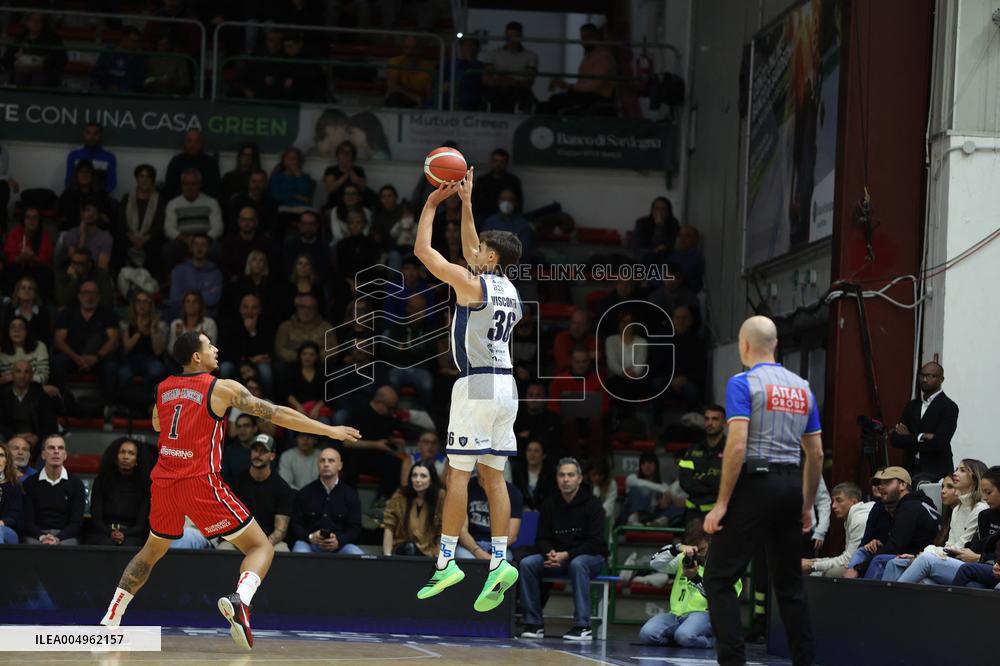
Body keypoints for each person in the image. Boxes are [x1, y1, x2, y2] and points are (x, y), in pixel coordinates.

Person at [98, 331, 361, 651]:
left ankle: (112, 617)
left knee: (152, 551)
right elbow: (276, 413)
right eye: (209, 345)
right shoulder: (221, 388)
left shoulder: (164, 387)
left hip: (164, 481)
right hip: (200, 481)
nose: (216, 349)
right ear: (196, 356)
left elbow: (157, 424)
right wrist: (328, 429)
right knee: (261, 547)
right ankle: (241, 599)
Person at [412, 169, 524, 612]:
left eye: (481, 250)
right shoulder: (509, 289)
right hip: (506, 387)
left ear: (491, 258)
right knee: (493, 476)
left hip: (476, 382)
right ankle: (499, 560)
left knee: (457, 474)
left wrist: (433, 204)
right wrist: (468, 202)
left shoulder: (472, 283)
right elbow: (469, 246)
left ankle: (446, 563)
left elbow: (424, 251)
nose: (471, 251)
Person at [702, 315, 823, 666]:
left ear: (743, 346)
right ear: (776, 345)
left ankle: (733, 663)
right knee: (789, 587)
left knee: (719, 577)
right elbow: (815, 453)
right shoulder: (803, 387)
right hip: (790, 485)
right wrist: (807, 504)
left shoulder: (743, 383)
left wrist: (721, 504)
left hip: (756, 483)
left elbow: (737, 447)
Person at [518, 457, 609, 641]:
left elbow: (595, 543)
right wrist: (549, 553)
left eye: (570, 475)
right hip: (557, 557)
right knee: (528, 563)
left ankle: (582, 626)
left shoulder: (593, 505)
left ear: (579, 478)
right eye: (561, 475)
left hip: (590, 558)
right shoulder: (550, 503)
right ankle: (533, 624)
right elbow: (542, 537)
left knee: (578, 564)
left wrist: (566, 555)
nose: (565, 479)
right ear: (556, 478)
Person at [888, 462, 995, 585]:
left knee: (925, 559)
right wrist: (930, 552)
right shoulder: (957, 509)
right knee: (899, 565)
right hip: (951, 558)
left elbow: (961, 547)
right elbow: (951, 543)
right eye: (956, 469)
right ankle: (888, 601)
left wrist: (929, 552)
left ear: (975, 478)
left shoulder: (980, 508)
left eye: (962, 470)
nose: (955, 473)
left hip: (965, 563)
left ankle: (893, 598)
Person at [639, 521, 739, 648]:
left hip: (707, 615)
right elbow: (655, 563)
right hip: (676, 615)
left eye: (701, 548)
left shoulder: (725, 565)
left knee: (685, 636)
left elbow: (723, 599)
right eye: (694, 547)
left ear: (711, 540)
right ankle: (680, 640)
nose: (697, 553)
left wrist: (695, 579)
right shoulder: (684, 558)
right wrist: (676, 548)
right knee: (647, 634)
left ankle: (715, 642)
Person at [842, 466, 940, 579]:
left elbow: (895, 547)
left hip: (922, 559)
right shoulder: (915, 503)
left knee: (878, 560)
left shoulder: (909, 507)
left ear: (903, 485)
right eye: (879, 483)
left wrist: (858, 569)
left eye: (887, 482)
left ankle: (863, 594)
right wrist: (880, 543)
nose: (880, 487)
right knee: (864, 551)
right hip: (917, 555)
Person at [222, 434, 295, 552]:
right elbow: (228, 520)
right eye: (255, 450)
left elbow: (280, 531)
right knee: (224, 548)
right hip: (239, 540)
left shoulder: (282, 488)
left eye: (263, 451)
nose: (258, 454)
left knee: (282, 549)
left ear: (272, 456)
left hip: (268, 541)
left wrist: (262, 547)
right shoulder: (235, 483)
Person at [51, 280, 120, 400]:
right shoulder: (67, 313)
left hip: (99, 357)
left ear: (99, 296)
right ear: (79, 296)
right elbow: (58, 341)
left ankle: (107, 408)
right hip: (72, 357)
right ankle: (61, 404)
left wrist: (96, 358)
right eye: (86, 292)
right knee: (58, 363)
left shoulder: (107, 314)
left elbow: (113, 340)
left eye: (93, 293)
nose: (90, 296)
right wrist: (76, 358)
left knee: (111, 368)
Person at [891, 361, 960, 481]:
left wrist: (909, 437)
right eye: (922, 375)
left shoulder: (949, 407)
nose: (924, 379)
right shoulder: (912, 405)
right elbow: (896, 440)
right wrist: (921, 436)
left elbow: (939, 442)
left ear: (941, 379)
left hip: (936, 469)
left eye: (930, 376)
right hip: (910, 469)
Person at [289, 446, 364, 556]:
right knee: (299, 552)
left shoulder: (350, 494)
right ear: (318, 464)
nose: (326, 464)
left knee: (356, 554)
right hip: (309, 544)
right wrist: (310, 537)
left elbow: (355, 527)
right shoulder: (305, 493)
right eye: (322, 460)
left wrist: (339, 541)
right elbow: (295, 524)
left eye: (331, 460)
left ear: (340, 466)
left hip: (340, 546)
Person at [21, 436, 85, 545]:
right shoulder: (30, 483)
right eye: (51, 448)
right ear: (43, 455)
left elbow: (76, 523)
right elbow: (28, 522)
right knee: (31, 546)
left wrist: (58, 538)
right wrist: (42, 537)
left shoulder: (76, 484)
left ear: (65, 455)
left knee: (69, 546)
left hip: (65, 536)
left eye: (60, 448)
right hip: (36, 536)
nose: (56, 451)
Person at [543, 23, 617, 116]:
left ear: (597, 36)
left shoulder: (604, 57)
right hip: (588, 97)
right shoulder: (588, 57)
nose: (586, 40)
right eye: (583, 37)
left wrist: (567, 86)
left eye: (589, 36)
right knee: (553, 102)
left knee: (555, 102)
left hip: (598, 99)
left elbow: (593, 87)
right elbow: (584, 85)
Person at [87, 438, 150, 547]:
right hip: (104, 532)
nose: (126, 456)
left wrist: (124, 534)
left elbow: (141, 525)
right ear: (115, 457)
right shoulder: (102, 481)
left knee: (131, 545)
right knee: (105, 543)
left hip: (132, 534)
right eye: (122, 452)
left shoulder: (144, 485)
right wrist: (111, 533)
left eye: (131, 453)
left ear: (137, 460)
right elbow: (96, 520)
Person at [802, 482, 873, 577]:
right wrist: (813, 561)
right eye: (833, 501)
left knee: (827, 573)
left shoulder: (859, 519)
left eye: (839, 500)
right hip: (859, 564)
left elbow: (849, 560)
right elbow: (847, 556)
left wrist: (813, 565)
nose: (833, 506)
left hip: (867, 567)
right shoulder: (852, 517)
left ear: (854, 502)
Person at [382, 461, 445, 557]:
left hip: (429, 552)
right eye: (414, 475)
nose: (417, 480)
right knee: (409, 547)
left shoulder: (440, 497)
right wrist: (387, 555)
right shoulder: (400, 496)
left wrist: (439, 557)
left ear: (431, 480)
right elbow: (389, 527)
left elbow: (443, 531)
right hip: (402, 549)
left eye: (423, 476)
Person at [164, 171, 224, 269]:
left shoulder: (211, 202)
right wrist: (186, 239)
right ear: (181, 185)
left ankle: (211, 275)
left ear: (200, 185)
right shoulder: (172, 204)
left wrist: (201, 241)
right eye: (186, 183)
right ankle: (174, 277)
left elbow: (218, 228)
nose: (189, 187)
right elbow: (168, 229)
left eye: (193, 183)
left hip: (206, 240)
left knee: (217, 248)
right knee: (168, 249)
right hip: (183, 241)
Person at [118, 291, 167, 409]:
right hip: (131, 359)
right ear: (134, 305)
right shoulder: (126, 324)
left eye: (145, 302)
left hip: (151, 359)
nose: (142, 305)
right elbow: (127, 348)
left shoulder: (159, 325)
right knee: (123, 374)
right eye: (139, 301)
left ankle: (148, 403)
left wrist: (153, 329)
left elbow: (158, 351)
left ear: (150, 305)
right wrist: (139, 331)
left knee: (157, 370)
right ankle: (130, 404)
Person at [457, 473, 524, 560]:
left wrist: (495, 551)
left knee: (502, 563)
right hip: (470, 546)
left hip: (500, 546)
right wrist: (477, 551)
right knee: (464, 558)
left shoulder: (512, 492)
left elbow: (512, 535)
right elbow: (461, 532)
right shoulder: (466, 487)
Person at [678, 405, 727, 518]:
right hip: (693, 514)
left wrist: (699, 478)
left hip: (721, 514)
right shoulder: (693, 449)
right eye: (707, 419)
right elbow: (685, 481)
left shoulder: (731, 450)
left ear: (724, 423)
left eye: (715, 419)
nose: (710, 423)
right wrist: (710, 482)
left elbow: (727, 483)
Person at [480, 22, 538, 113]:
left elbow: (529, 81)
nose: (512, 40)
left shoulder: (530, 56)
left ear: (521, 36)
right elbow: (486, 78)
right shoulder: (494, 54)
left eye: (515, 36)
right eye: (509, 37)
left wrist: (513, 82)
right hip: (496, 89)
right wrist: (500, 81)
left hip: (518, 91)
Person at [0, 360, 59, 447]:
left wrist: (37, 437)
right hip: (9, 438)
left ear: (31, 375)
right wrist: (14, 436)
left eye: (26, 372)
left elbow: (50, 423)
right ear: (12, 374)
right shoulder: (3, 394)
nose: (22, 376)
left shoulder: (40, 394)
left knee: (50, 444)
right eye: (18, 371)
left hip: (35, 439)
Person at [2, 12, 67, 89]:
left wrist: (43, 60)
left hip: (43, 71)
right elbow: (7, 56)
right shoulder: (21, 36)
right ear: (27, 22)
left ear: (44, 23)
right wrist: (16, 57)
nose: (35, 23)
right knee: (20, 74)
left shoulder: (52, 37)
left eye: (39, 20)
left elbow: (61, 57)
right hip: (22, 70)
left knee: (39, 77)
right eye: (32, 20)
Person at [622, 451, 686, 526]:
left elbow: (666, 500)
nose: (647, 466)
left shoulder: (663, 485)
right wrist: (664, 490)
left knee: (680, 506)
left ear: (656, 465)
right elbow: (643, 484)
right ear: (640, 466)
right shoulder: (632, 478)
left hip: (652, 514)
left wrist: (664, 503)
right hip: (631, 513)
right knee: (643, 490)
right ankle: (635, 519)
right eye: (643, 463)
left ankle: (660, 521)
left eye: (650, 463)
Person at [3, 207, 55, 298]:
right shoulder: (15, 232)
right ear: (23, 220)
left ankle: (40, 302)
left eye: (35, 217)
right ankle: (10, 300)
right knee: (9, 271)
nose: (32, 221)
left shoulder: (44, 234)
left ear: (39, 220)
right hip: (19, 264)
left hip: (37, 266)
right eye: (28, 217)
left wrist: (32, 257)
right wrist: (21, 257)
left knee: (45, 273)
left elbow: (46, 258)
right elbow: (10, 255)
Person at [163, 129, 223, 201]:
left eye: (197, 141)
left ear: (202, 143)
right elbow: (170, 188)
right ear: (184, 143)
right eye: (189, 141)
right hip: (180, 202)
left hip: (204, 203)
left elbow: (215, 188)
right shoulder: (176, 162)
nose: (193, 144)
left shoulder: (211, 163)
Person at [65, 123, 117, 196]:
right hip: (77, 198)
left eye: (96, 133)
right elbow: (69, 181)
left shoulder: (109, 157)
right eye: (88, 133)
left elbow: (111, 183)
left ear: (100, 136)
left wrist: (99, 197)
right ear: (84, 135)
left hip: (100, 199)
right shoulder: (74, 155)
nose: (91, 137)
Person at [472, 149, 523, 221]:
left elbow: (518, 203)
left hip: (507, 218)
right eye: (495, 161)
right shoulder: (482, 180)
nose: (498, 164)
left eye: (501, 162)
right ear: (491, 161)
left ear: (506, 163)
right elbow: (476, 202)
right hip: (484, 217)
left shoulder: (513, 181)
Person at [385, 35, 434, 108]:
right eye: (406, 48)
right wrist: (413, 97)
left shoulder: (428, 67)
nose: (409, 52)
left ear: (420, 49)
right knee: (395, 98)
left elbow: (429, 93)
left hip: (420, 101)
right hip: (401, 98)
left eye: (413, 48)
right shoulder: (395, 62)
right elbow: (393, 87)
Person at [92, 27, 146, 93]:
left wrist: (121, 88)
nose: (135, 45)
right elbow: (99, 72)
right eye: (133, 41)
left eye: (137, 42)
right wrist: (107, 85)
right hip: (105, 89)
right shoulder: (108, 52)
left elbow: (137, 80)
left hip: (126, 92)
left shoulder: (138, 58)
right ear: (124, 39)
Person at [167, 290, 218, 361]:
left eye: (194, 302)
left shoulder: (209, 323)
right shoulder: (176, 324)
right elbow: (171, 352)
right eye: (187, 301)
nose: (190, 304)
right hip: (180, 363)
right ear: (184, 305)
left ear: (200, 305)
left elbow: (212, 352)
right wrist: (177, 336)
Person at [511, 439, 557, 511]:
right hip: (522, 512)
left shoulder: (550, 473)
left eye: (536, 451)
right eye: (529, 450)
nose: (532, 454)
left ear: (544, 455)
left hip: (545, 512)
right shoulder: (518, 472)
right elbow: (515, 494)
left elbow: (551, 497)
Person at [632, 196, 680, 262]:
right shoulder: (642, 222)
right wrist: (659, 226)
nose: (660, 212)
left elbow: (672, 244)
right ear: (652, 210)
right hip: (645, 257)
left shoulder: (673, 223)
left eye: (663, 209)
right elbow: (637, 246)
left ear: (669, 211)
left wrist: (660, 226)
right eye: (657, 208)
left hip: (666, 259)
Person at [222, 414, 262, 484]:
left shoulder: (263, 450)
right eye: (239, 426)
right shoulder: (229, 451)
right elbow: (225, 478)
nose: (242, 430)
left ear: (255, 428)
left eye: (246, 426)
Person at [0, 441, 23, 543]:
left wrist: (2, 522)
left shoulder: (14, 487)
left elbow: (15, 514)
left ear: (7, 460)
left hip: (7, 530)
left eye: (1, 455)